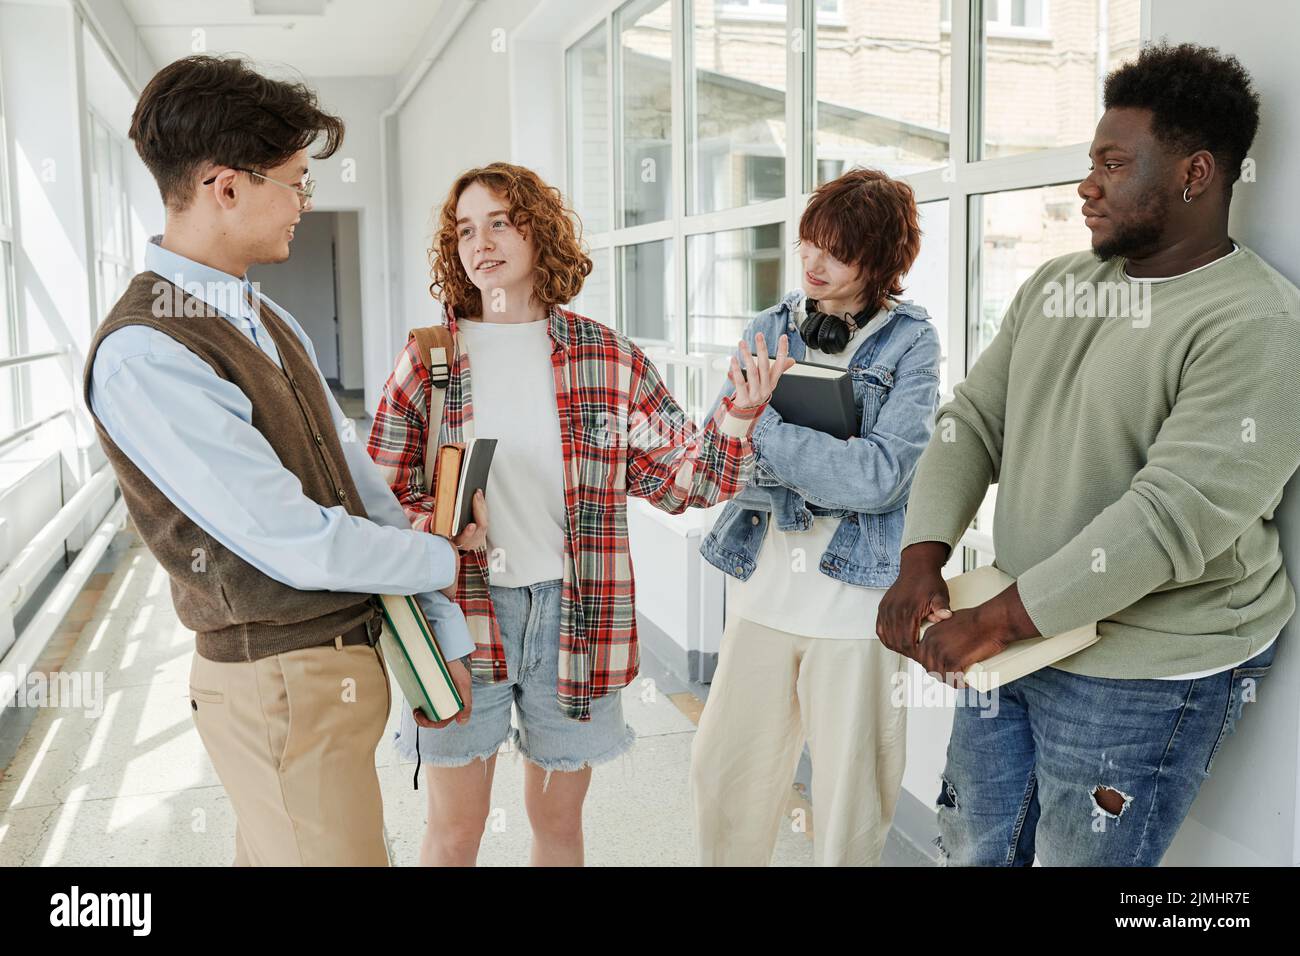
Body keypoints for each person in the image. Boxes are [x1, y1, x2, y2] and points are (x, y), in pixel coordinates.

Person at [879, 41, 1300, 866]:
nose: (1087, 185)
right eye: (1089, 162)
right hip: (1018, 629)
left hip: (1143, 663)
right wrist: (920, 556)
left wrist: (994, 624)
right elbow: (974, 421)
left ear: (1195, 173)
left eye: (1113, 164)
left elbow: (1169, 519)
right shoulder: (1059, 284)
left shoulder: (1257, 325)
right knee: (974, 846)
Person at [84, 54, 475, 866]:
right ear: (227, 187)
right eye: (295, 181)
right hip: (280, 684)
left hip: (330, 671)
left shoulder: (262, 316)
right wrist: (438, 558)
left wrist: (444, 636)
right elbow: (295, 538)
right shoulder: (148, 351)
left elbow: (356, 481)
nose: (304, 202)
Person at [367, 161, 792, 866]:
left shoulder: (607, 357)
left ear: (541, 232)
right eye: (466, 230)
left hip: (576, 614)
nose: (482, 242)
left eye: (500, 221)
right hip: (458, 611)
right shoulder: (430, 356)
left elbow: (684, 481)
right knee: (454, 832)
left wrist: (740, 413)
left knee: (558, 828)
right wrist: (432, 526)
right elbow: (379, 496)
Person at [691, 168, 941, 866]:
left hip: (856, 607)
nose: (812, 263)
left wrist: (765, 428)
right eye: (806, 244)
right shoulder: (769, 327)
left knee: (850, 804)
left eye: (835, 251)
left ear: (880, 259)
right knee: (726, 782)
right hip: (764, 588)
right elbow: (720, 450)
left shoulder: (911, 343)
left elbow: (881, 479)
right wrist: (805, 449)